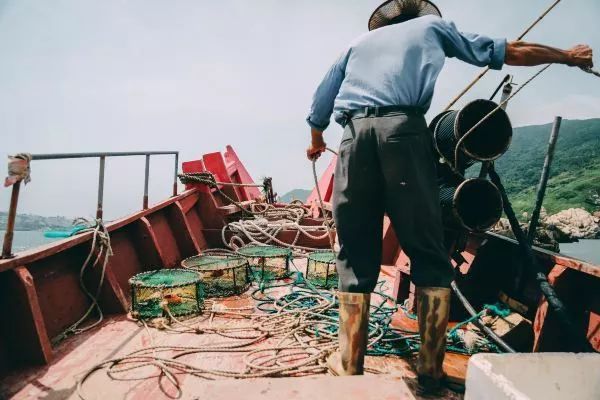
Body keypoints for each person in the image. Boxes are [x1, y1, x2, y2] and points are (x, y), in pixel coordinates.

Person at [305, 0, 593, 394]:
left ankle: (350, 362)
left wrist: (317, 138)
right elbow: (511, 50)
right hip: (403, 134)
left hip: (354, 139)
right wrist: (566, 56)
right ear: (420, 16)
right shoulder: (431, 30)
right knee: (427, 250)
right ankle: (429, 370)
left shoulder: (357, 44)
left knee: (354, 254)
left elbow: (321, 101)